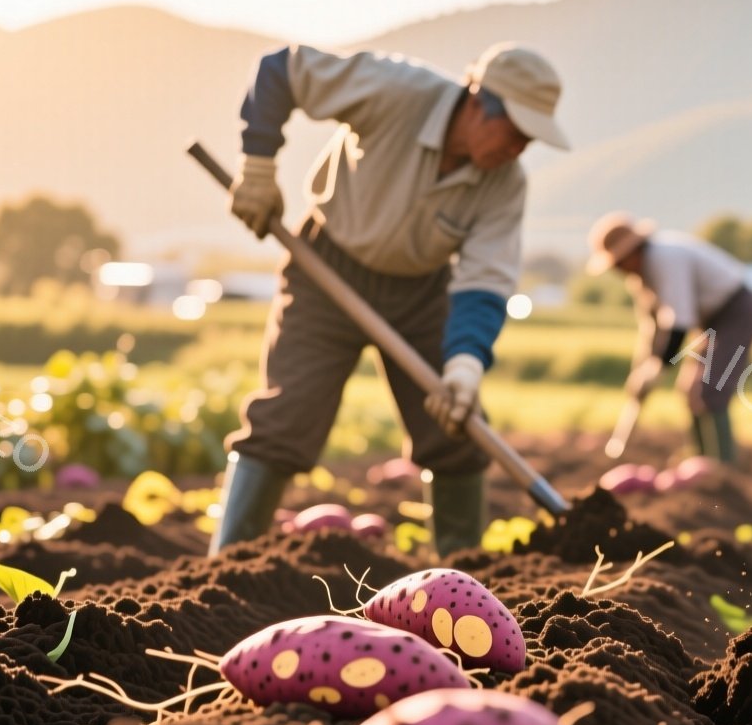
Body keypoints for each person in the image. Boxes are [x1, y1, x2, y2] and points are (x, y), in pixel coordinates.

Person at [211, 41, 570, 555]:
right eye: (515, 132)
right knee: (286, 418)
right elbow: (281, 70)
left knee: (456, 426)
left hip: (420, 293)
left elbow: (484, 280)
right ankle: (227, 561)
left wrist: (464, 365)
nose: (518, 150)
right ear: (478, 103)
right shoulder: (397, 92)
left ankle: (460, 572)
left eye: (529, 140)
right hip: (326, 272)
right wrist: (259, 168)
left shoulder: (505, 185)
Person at [586, 213, 752, 464]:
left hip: (735, 311)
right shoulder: (642, 279)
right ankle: (701, 461)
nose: (618, 271)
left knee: (711, 389)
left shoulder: (664, 259)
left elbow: (679, 323)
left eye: (619, 263)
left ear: (633, 252)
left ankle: (722, 467)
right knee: (689, 389)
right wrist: (643, 369)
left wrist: (659, 367)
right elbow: (652, 328)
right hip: (709, 320)